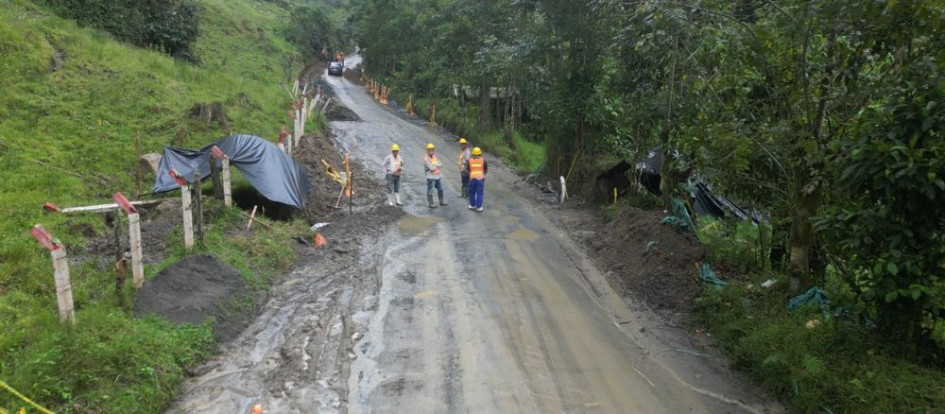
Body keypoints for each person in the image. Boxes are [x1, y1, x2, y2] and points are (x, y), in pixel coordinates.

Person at [423, 143, 447, 208]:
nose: (431, 150)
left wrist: (435, 166)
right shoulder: (426, 159)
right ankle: (431, 203)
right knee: (430, 190)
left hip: (437, 176)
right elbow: (431, 168)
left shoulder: (434, 157)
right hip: (430, 177)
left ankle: (441, 201)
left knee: (440, 189)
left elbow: (440, 164)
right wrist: (436, 165)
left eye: (432, 149)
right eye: (430, 149)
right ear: (427, 150)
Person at [467, 147, 487, 212]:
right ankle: (479, 207)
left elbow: (467, 170)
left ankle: (472, 205)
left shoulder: (469, 160)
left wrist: (470, 174)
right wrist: (484, 175)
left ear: (473, 154)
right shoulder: (483, 160)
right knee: (479, 193)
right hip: (480, 179)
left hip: (472, 178)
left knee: (472, 192)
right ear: (480, 153)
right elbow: (485, 169)